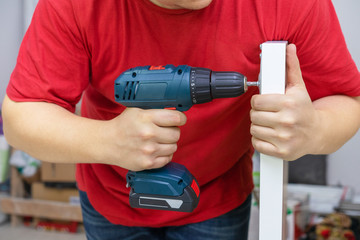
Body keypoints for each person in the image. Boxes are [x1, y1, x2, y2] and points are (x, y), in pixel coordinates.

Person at [2, 0, 360, 239]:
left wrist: (315, 131)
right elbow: (21, 118)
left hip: (218, 198)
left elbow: (348, 100)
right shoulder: (78, 6)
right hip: (110, 198)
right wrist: (109, 141)